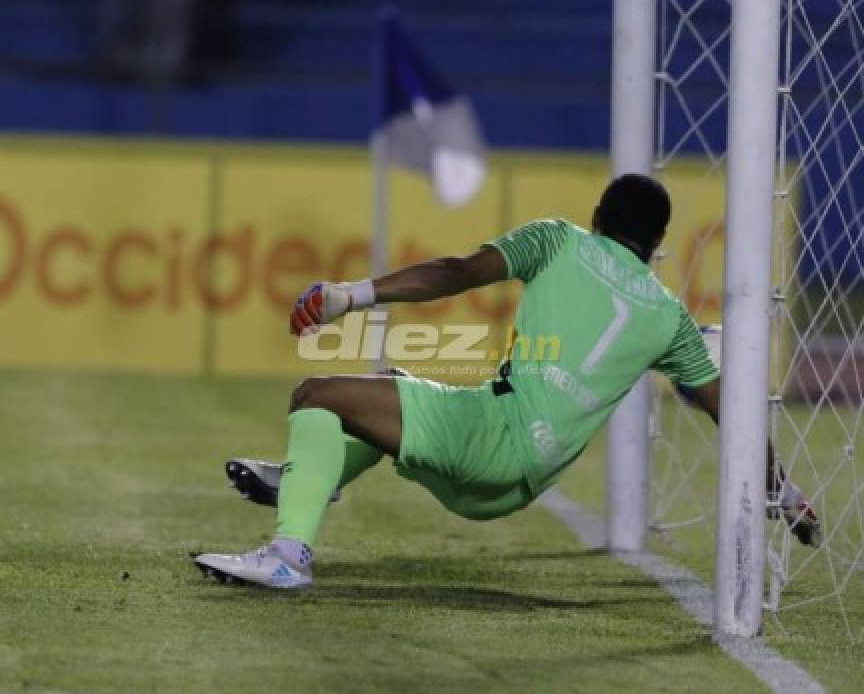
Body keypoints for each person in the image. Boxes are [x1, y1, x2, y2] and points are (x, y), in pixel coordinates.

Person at [193, 174, 820, 589]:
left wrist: (349, 295)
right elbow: (732, 416)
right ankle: (303, 479)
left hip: (490, 435)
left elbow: (456, 271)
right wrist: (784, 494)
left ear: (597, 216)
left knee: (317, 395)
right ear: (658, 243)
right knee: (385, 388)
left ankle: (287, 557)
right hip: (517, 486)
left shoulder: (558, 240)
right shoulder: (672, 321)